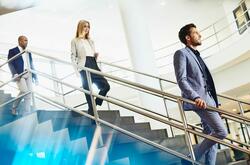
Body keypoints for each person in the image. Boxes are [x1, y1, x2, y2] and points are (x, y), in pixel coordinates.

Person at [173, 23, 228, 165]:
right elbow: (182, 80)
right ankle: (191, 156)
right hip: (199, 101)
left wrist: (216, 103)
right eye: (196, 33)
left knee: (213, 139)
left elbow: (206, 82)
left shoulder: (197, 56)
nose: (200, 35)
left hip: (209, 100)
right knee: (221, 132)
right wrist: (195, 97)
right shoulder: (181, 53)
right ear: (188, 37)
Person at [71, 20, 110, 116]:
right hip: (83, 65)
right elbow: (73, 56)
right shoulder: (75, 41)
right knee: (88, 90)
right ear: (80, 27)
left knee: (106, 86)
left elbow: (90, 53)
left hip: (93, 63)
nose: (87, 28)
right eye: (84, 26)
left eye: (88, 26)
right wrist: (77, 70)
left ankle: (95, 104)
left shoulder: (90, 41)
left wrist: (95, 56)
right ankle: (92, 111)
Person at [8, 35, 37, 115]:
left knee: (29, 93)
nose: (26, 42)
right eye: (25, 40)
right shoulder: (13, 51)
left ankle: (27, 112)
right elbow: (10, 63)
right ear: (20, 41)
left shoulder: (28, 52)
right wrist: (14, 73)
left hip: (29, 73)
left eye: (27, 40)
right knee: (24, 91)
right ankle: (14, 107)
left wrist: (35, 76)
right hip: (19, 74)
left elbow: (31, 64)